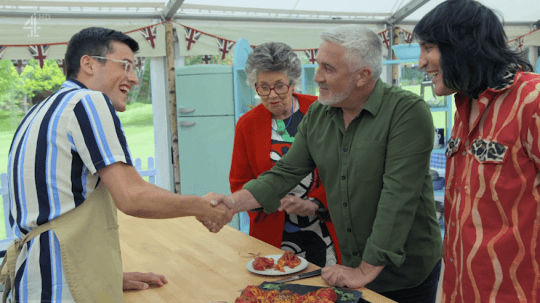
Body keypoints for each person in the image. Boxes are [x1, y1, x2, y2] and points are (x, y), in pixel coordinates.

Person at [207, 24, 443, 303]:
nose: (316, 77)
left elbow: (398, 198)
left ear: (362, 76)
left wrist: (365, 269)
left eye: (328, 68)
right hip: (349, 266)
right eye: (318, 65)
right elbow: (283, 173)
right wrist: (232, 203)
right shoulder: (319, 114)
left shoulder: (406, 112)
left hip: (404, 274)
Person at [1, 27, 232, 303]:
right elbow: (132, 196)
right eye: (126, 66)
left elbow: (53, 210)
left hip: (37, 280)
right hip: (63, 287)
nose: (133, 78)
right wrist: (201, 206)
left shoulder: (39, 112)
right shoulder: (88, 102)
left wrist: (107, 273)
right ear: (88, 64)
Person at [414, 0, 540, 302]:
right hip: (462, 289)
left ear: (462, 45)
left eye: (429, 48)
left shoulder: (532, 99)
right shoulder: (464, 106)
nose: (420, 62)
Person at [229, 42, 341, 267]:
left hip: (323, 228)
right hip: (272, 232)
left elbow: (341, 171)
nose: (272, 95)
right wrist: (270, 199)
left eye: (279, 85)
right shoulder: (247, 125)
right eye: (263, 87)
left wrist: (315, 202)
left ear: (293, 83)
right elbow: (240, 182)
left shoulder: (321, 111)